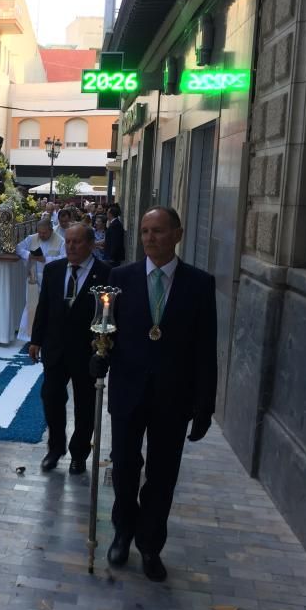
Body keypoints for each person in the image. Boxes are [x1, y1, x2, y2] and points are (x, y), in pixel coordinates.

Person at [90, 206, 217, 583]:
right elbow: (104, 329)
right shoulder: (121, 278)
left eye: (158, 231)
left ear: (177, 234)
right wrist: (98, 359)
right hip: (129, 390)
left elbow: (205, 347)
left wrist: (204, 404)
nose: (149, 238)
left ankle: (150, 544)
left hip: (173, 397)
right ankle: (123, 532)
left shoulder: (199, 284)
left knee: (163, 475)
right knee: (125, 468)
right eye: (145, 231)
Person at [28, 224, 112, 475]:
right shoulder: (54, 270)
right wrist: (36, 339)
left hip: (86, 352)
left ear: (90, 244)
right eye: (68, 242)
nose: (72, 247)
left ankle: (79, 454)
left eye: (77, 242)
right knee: (51, 397)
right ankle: (55, 448)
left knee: (85, 405)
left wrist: (104, 348)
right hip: (55, 349)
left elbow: (109, 315)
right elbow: (44, 306)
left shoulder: (105, 274)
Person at [15, 219, 65, 341]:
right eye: (40, 232)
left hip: (52, 280)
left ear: (51, 230)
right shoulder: (32, 238)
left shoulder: (61, 241)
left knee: (50, 307)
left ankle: (49, 335)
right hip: (34, 278)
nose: (41, 235)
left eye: (44, 233)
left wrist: (46, 259)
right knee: (32, 306)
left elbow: (65, 258)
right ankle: (30, 337)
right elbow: (17, 248)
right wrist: (29, 255)